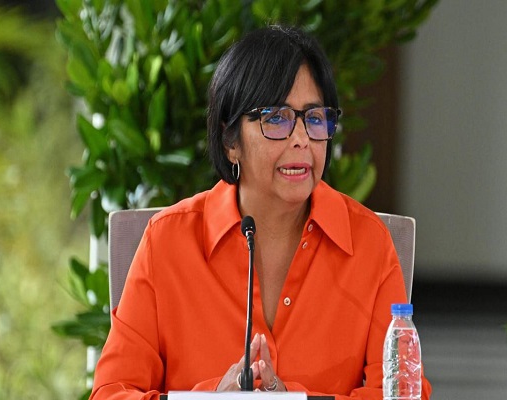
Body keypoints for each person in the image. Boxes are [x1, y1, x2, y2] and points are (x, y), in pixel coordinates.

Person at [90, 25, 432, 399]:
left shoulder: (369, 243)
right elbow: (111, 393)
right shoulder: (166, 241)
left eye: (315, 118)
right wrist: (210, 399)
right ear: (230, 140)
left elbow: (405, 393)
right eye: (276, 118)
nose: (301, 139)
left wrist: (291, 399)